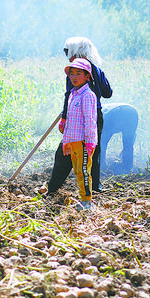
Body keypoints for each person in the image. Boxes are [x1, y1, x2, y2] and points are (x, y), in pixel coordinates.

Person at [41, 36, 112, 194]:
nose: (68, 55)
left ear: (76, 52)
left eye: (68, 51)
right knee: (93, 151)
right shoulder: (97, 70)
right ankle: (94, 188)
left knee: (64, 153)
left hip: (76, 115)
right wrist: (101, 78)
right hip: (96, 116)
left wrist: (65, 118)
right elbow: (108, 93)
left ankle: (53, 188)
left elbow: (68, 95)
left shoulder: (75, 71)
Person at [60, 58, 97, 211]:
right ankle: (83, 198)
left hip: (83, 141)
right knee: (77, 171)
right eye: (71, 74)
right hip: (73, 141)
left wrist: (89, 142)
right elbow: (70, 120)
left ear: (87, 76)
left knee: (83, 172)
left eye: (78, 74)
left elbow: (89, 121)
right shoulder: (72, 94)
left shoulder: (87, 95)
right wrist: (66, 141)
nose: (74, 77)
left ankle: (87, 202)